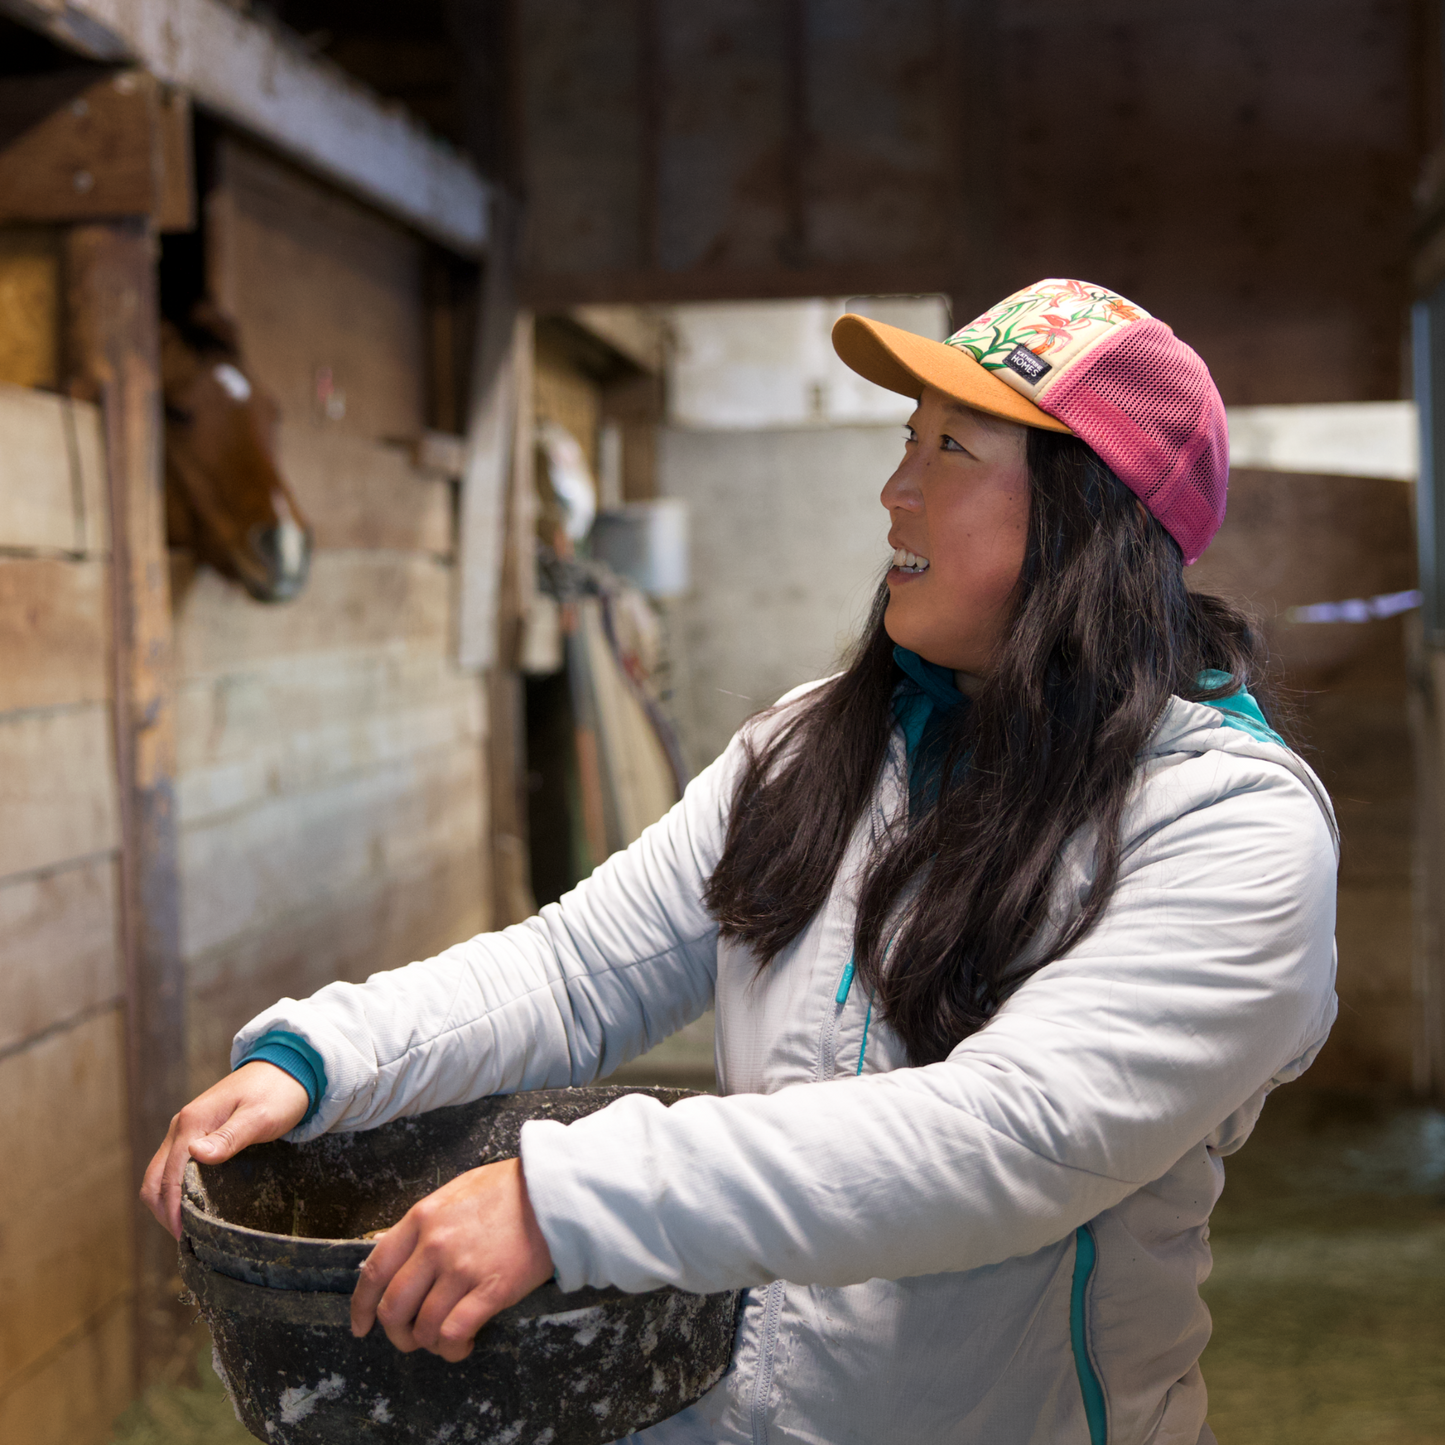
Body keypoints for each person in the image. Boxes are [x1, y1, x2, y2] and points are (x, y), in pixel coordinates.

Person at [143, 279, 1338, 1445]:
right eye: (904, 440)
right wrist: (325, 1057)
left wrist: (572, 1199)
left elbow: (1009, 1136)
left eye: (952, 453)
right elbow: (576, 971)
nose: (893, 492)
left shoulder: (1225, 824)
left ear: (1090, 513)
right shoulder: (812, 747)